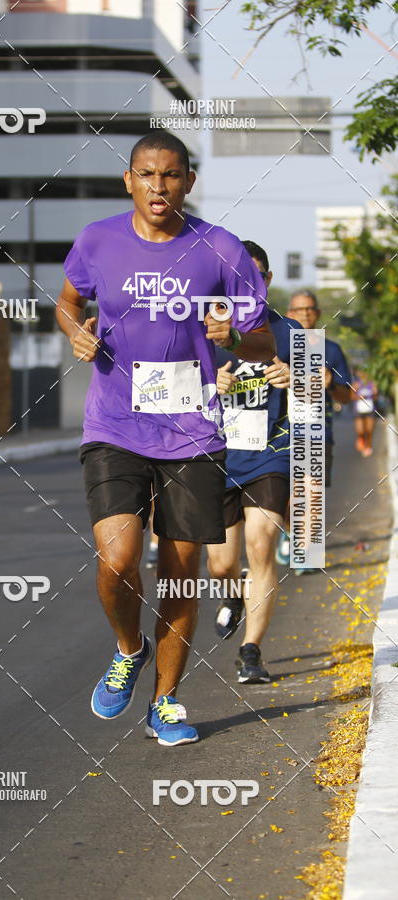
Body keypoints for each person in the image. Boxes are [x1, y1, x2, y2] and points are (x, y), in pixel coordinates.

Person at [55, 131, 274, 747]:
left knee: (180, 576)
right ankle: (129, 647)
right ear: (128, 180)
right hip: (115, 426)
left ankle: (166, 702)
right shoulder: (98, 240)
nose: (159, 186)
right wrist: (75, 332)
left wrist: (233, 336)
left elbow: (264, 340)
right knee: (117, 560)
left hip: (193, 433)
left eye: (171, 174)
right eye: (147, 174)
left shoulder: (221, 248)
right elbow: (68, 302)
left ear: (188, 182)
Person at [206, 241, 302, 683]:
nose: (249, 283)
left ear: (268, 280)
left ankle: (251, 651)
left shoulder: (290, 331)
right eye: (239, 276)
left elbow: (321, 393)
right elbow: (172, 390)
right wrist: (211, 384)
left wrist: (295, 378)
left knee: (261, 545)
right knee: (220, 565)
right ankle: (233, 594)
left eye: (257, 276)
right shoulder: (203, 330)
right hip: (218, 456)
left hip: (271, 453)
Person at [277, 289, 353, 573]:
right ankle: (290, 532)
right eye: (298, 310)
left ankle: (305, 555)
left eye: (309, 309)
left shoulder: (331, 350)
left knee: (311, 494)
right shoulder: (276, 348)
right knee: (285, 497)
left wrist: (331, 383)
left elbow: (347, 396)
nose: (305, 314)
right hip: (281, 434)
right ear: (289, 314)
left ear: (318, 314)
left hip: (318, 432)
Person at [352, 367, 377, 457]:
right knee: (360, 431)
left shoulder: (372, 384)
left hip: (370, 409)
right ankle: (361, 440)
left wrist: (374, 393)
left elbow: (375, 397)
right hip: (359, 410)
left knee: (369, 430)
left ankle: (368, 446)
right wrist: (359, 397)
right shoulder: (356, 384)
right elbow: (351, 396)